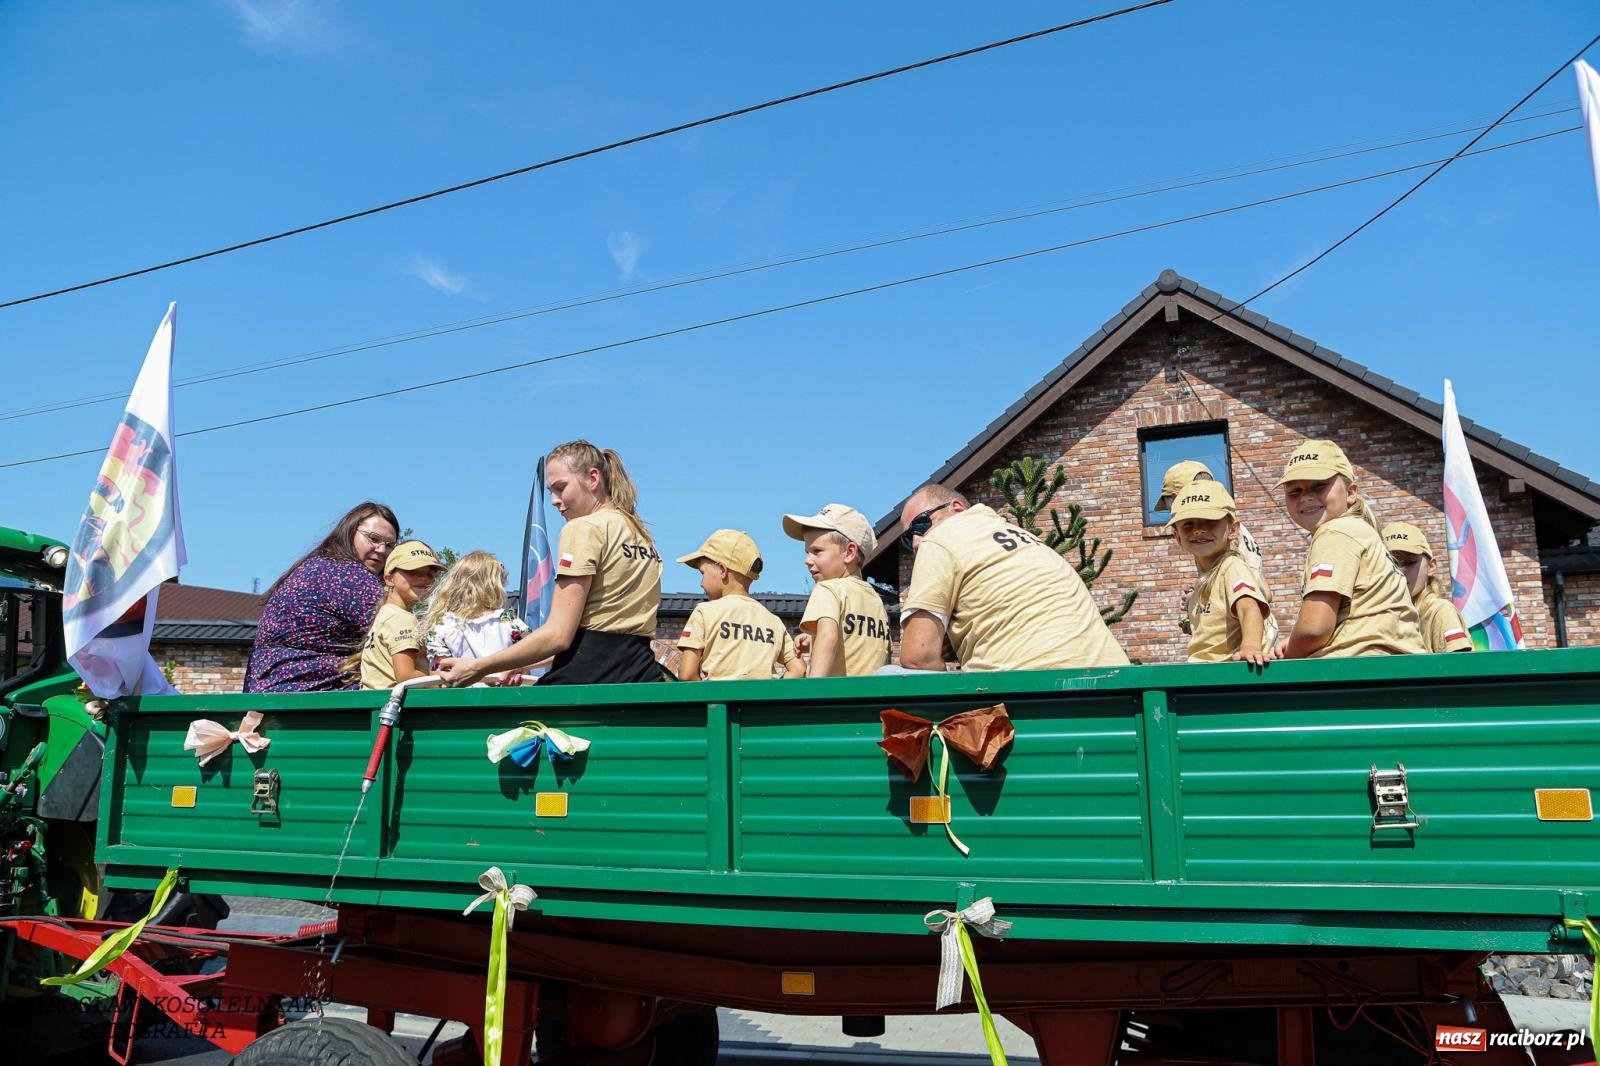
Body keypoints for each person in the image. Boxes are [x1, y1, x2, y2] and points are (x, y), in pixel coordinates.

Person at [439, 441, 664, 686]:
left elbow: (559, 635)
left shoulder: (583, 528)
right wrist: (519, 662)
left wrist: (477, 666)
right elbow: (601, 633)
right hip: (641, 676)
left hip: (588, 680)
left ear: (593, 477)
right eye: (551, 492)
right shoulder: (641, 535)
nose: (555, 501)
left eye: (561, 487)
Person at [897, 485, 1129, 672]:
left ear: (956, 507)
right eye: (908, 539)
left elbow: (917, 658)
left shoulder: (939, 539)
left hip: (1022, 692)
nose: (917, 541)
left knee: (887, 676)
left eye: (922, 523)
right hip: (1116, 682)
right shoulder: (1031, 541)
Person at [1271, 440, 1423, 658]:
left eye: (1319, 485)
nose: (1305, 496)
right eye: (1295, 490)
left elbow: (1314, 629)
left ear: (1351, 492)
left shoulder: (1335, 532)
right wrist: (1296, 638)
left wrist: (1288, 661)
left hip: (1357, 670)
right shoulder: (1358, 531)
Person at [245, 501, 401, 693]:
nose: (382, 550)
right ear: (350, 531)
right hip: (310, 693)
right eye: (373, 539)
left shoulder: (318, 565)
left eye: (390, 545)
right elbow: (400, 635)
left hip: (270, 689)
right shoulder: (349, 576)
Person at [1156, 459, 1276, 647]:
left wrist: (1250, 646)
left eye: (1169, 505)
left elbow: (1261, 593)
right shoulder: (1217, 533)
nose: (1198, 528)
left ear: (1178, 496)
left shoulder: (1229, 539)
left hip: (1246, 646)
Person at [675, 530, 806, 680]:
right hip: (760, 702)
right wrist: (769, 694)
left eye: (702, 573)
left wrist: (709, 698)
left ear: (723, 570)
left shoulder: (704, 612)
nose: (701, 583)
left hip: (719, 702)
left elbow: (687, 674)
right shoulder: (773, 621)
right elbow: (799, 669)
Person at [782, 504, 891, 677]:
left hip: (838, 699)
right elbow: (860, 644)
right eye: (807, 552)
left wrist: (814, 691)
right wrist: (813, 640)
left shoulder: (827, 589)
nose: (807, 560)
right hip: (872, 699)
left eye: (817, 551)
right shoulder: (875, 599)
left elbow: (828, 638)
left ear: (849, 552)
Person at [422, 551, 532, 683]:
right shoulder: (507, 619)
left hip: (462, 698)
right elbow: (534, 650)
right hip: (508, 694)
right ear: (493, 584)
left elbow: (441, 671)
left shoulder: (442, 625)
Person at [358, 541, 443, 690]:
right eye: (413, 571)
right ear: (389, 579)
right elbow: (406, 676)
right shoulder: (402, 619)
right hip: (398, 708)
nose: (424, 578)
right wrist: (446, 683)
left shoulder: (385, 614)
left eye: (430, 573)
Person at [1383, 522, 1473, 653]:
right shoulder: (1380, 617)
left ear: (1431, 567)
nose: (1400, 571)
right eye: (1392, 563)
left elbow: (1462, 668)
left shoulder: (1440, 611)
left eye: (1409, 562)